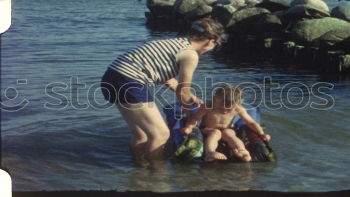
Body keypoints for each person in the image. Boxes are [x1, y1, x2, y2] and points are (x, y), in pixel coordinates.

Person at [101, 18, 227, 165]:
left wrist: (191, 97)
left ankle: (139, 168)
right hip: (129, 81)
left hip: (112, 77)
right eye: (216, 45)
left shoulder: (175, 43)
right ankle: (159, 175)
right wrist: (190, 117)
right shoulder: (191, 54)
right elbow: (183, 91)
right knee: (161, 134)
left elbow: (167, 79)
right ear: (211, 41)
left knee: (141, 134)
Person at [181, 84, 271, 162]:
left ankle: (242, 151)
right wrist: (189, 127)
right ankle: (210, 152)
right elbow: (195, 118)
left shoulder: (238, 109)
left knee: (229, 133)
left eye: (228, 109)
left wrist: (262, 133)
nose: (224, 111)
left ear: (236, 105)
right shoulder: (207, 106)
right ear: (214, 100)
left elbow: (251, 123)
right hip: (208, 130)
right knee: (216, 132)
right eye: (220, 108)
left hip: (227, 130)